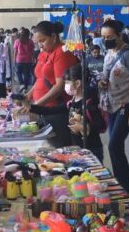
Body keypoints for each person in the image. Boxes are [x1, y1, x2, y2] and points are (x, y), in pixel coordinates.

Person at [98, 19, 129, 196]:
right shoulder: (108, 52)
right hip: (112, 105)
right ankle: (122, 185)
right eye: (103, 37)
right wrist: (103, 82)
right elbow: (107, 75)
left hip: (127, 105)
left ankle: (128, 188)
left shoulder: (128, 55)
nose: (106, 40)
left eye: (109, 36)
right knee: (116, 147)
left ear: (119, 35)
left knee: (114, 146)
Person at [28, 66, 105, 161]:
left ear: (77, 83)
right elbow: (50, 111)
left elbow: (101, 126)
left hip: (92, 150)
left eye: (67, 82)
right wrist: (30, 107)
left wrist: (84, 127)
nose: (65, 85)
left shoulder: (89, 104)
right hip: (78, 150)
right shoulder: (71, 102)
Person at [31, 20, 79, 148]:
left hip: (57, 110)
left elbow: (60, 86)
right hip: (45, 109)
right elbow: (40, 78)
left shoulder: (62, 53)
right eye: (37, 42)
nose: (40, 45)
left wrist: (36, 106)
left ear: (53, 36)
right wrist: (27, 96)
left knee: (60, 148)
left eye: (42, 40)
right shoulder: (44, 53)